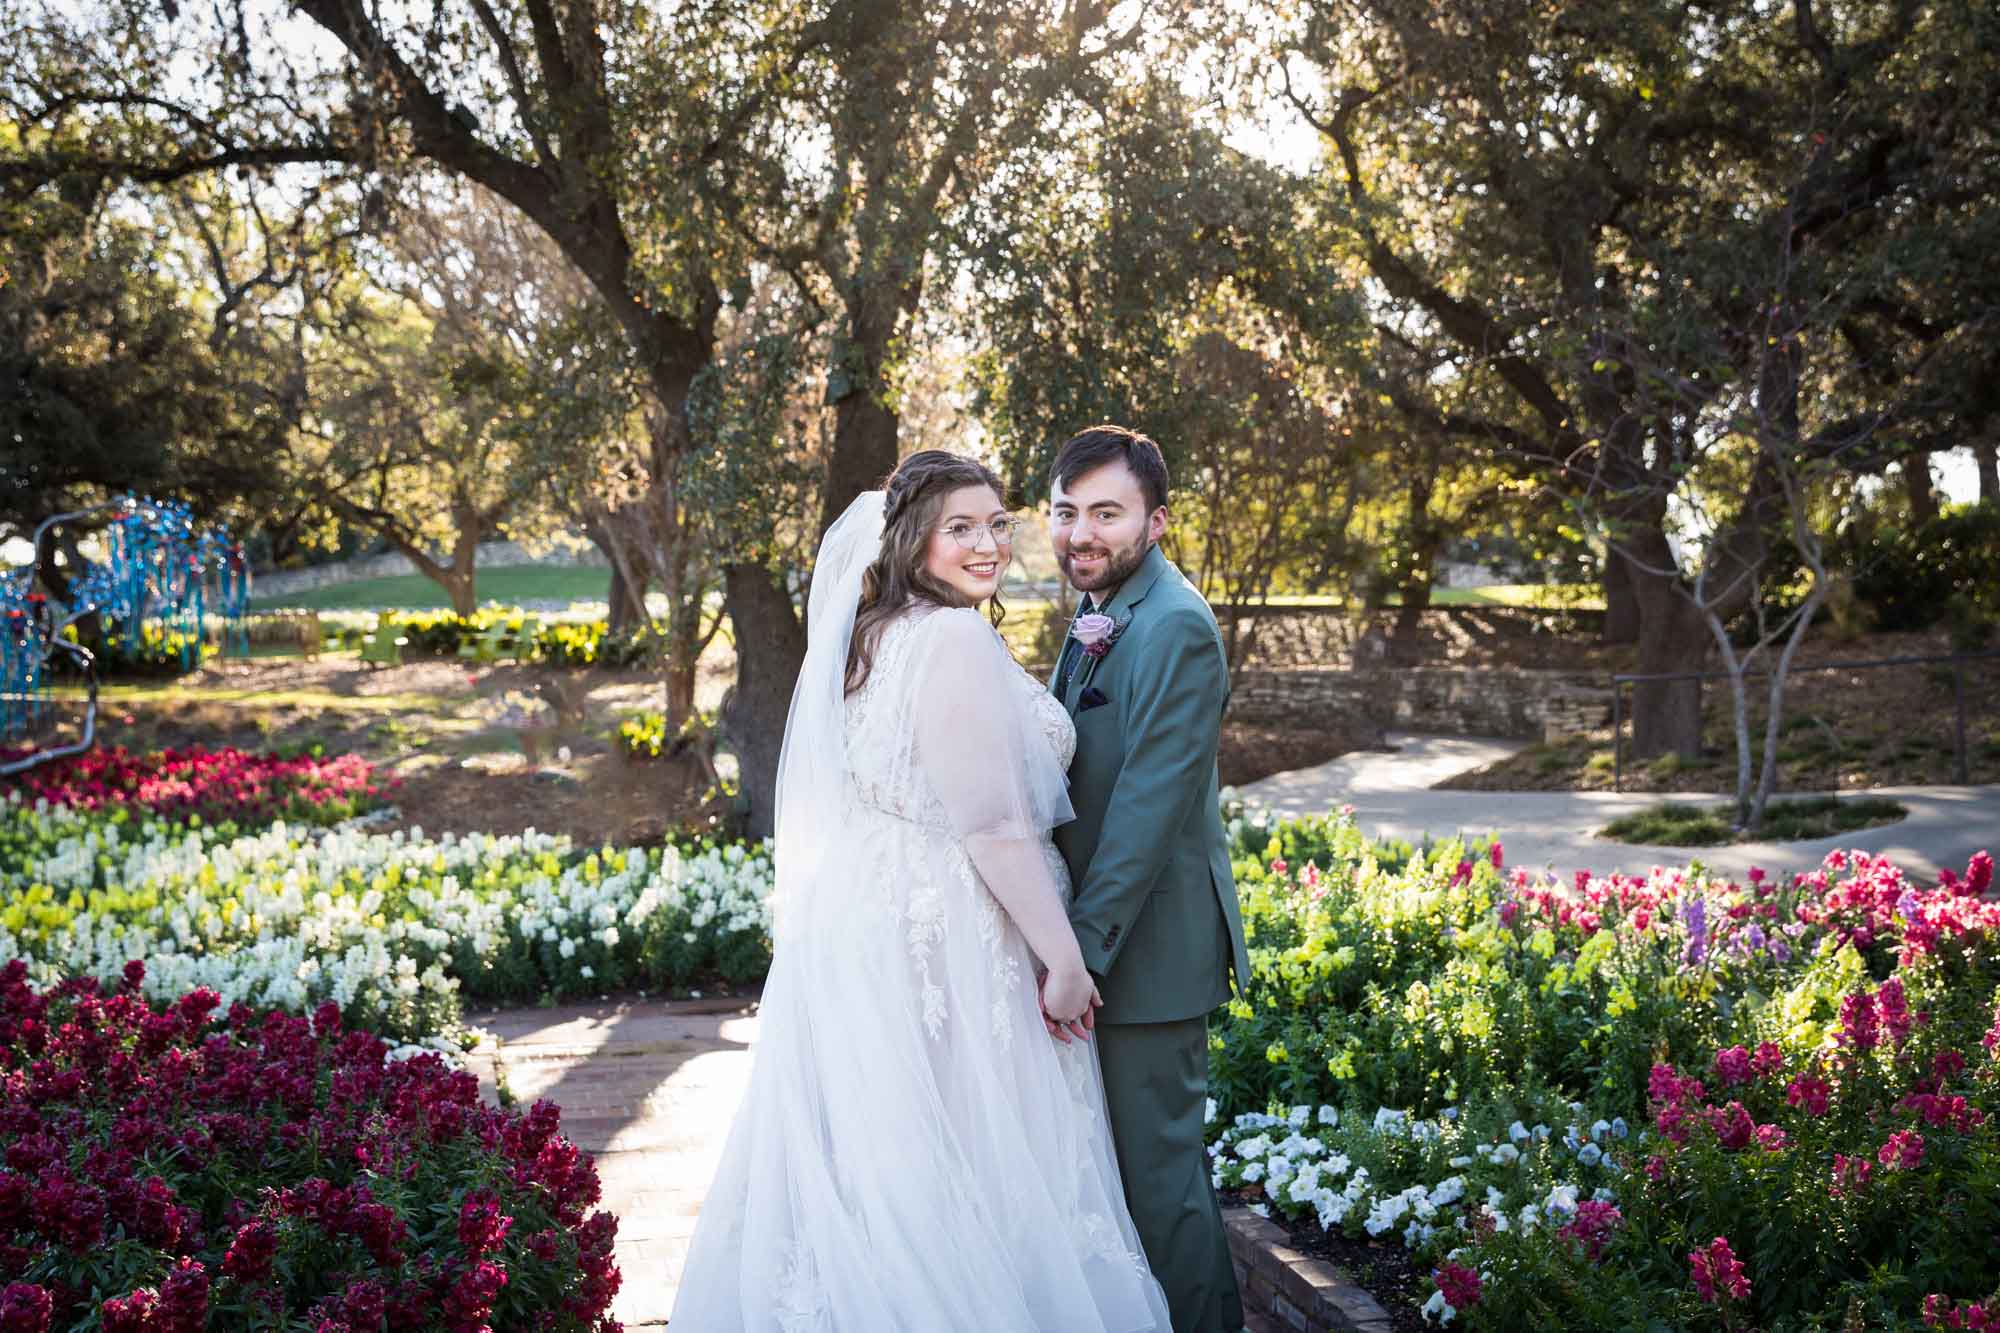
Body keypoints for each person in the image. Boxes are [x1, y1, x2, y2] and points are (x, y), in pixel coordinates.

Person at [671, 450, 1171, 1331]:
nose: (988, 545)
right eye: (960, 528)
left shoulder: (877, 631)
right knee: (973, 1155)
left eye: (996, 524)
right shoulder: (950, 636)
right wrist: (1063, 957)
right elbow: (990, 826)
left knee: (896, 1157)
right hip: (954, 930)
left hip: (876, 919)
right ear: (913, 539)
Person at [1046, 425, 1251, 1333]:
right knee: (1119, 1190)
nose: (1080, 532)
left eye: (1105, 512)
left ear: (1156, 520)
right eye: (1066, 511)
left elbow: (1145, 810)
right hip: (1100, 951)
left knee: (1163, 1193)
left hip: (1147, 956)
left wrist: (1077, 956)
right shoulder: (1110, 607)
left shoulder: (1175, 626)